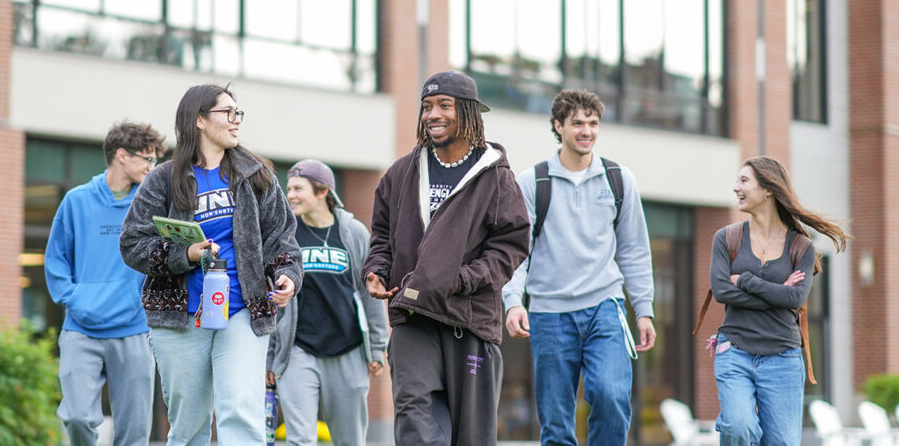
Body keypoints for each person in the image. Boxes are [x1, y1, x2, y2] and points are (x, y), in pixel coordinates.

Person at [120, 84, 302, 446]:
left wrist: (287, 276)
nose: (236, 121)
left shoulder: (256, 175)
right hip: (181, 317)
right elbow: (132, 244)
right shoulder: (164, 180)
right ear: (200, 120)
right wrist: (183, 255)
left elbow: (283, 238)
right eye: (227, 113)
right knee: (189, 425)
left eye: (239, 113)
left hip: (243, 311)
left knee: (240, 410)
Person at [364, 70, 531, 446]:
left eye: (444, 105)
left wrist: (463, 280)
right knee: (414, 419)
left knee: (471, 434)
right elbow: (381, 237)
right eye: (427, 107)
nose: (432, 115)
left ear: (469, 113)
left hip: (468, 320)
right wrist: (376, 270)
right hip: (412, 316)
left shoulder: (496, 178)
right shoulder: (401, 173)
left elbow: (511, 245)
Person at [500, 89, 657, 446]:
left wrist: (644, 311)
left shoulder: (618, 180)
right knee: (556, 422)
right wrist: (513, 302)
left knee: (612, 397)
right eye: (577, 123)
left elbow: (634, 249)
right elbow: (516, 251)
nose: (586, 131)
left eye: (593, 123)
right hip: (549, 313)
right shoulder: (533, 182)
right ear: (558, 126)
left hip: (606, 307)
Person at [709, 156, 849, 446]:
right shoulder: (726, 239)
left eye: (744, 181)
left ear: (768, 189)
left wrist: (747, 281)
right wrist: (777, 293)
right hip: (735, 351)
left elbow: (795, 297)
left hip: (782, 360)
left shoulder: (801, 246)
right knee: (738, 427)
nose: (736, 188)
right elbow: (722, 291)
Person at [45, 121, 164, 446]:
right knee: (77, 417)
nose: (152, 168)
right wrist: (74, 298)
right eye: (146, 159)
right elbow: (56, 259)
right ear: (122, 156)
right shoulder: (76, 201)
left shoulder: (152, 205)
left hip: (134, 329)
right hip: (81, 329)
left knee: (135, 431)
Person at [268, 159, 389, 446]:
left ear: (322, 191)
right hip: (298, 350)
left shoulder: (354, 232)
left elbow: (370, 292)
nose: (291, 195)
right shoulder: (286, 235)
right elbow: (273, 299)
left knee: (350, 440)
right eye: (289, 188)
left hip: (348, 350)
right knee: (300, 439)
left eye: (299, 188)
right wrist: (271, 355)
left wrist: (377, 347)